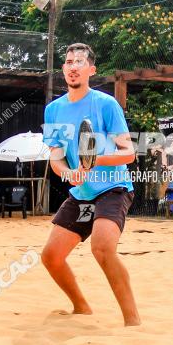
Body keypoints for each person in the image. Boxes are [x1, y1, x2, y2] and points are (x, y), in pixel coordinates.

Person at [40, 42, 140, 326]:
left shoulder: (106, 104)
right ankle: (81, 307)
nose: (73, 66)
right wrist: (67, 172)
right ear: (63, 69)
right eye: (69, 62)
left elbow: (128, 153)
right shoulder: (53, 110)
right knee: (51, 257)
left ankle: (133, 322)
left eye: (79, 62)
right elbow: (56, 158)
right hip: (82, 192)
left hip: (113, 187)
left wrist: (96, 161)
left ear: (90, 70)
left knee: (102, 248)